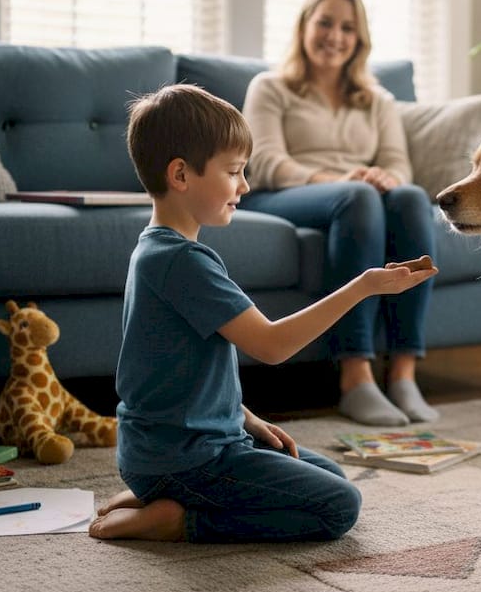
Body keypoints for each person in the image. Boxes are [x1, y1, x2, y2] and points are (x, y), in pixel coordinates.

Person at [89, 83, 438, 543]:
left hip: (173, 449)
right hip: (188, 458)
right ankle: (180, 519)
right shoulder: (182, 261)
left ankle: (159, 492)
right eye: (234, 172)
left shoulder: (158, 251)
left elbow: (177, 373)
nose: (245, 186)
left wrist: (247, 420)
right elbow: (272, 346)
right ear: (180, 175)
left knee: (326, 472)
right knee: (338, 506)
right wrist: (364, 286)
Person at [240, 0, 440, 427]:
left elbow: (397, 165)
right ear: (304, 26)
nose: (335, 35)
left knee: (410, 197)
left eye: (347, 27)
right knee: (358, 195)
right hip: (287, 193)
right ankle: (355, 376)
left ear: (360, 39)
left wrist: (385, 178)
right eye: (325, 22)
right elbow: (265, 162)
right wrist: (339, 179)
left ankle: (405, 373)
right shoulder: (270, 87)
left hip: (357, 196)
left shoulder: (378, 99)